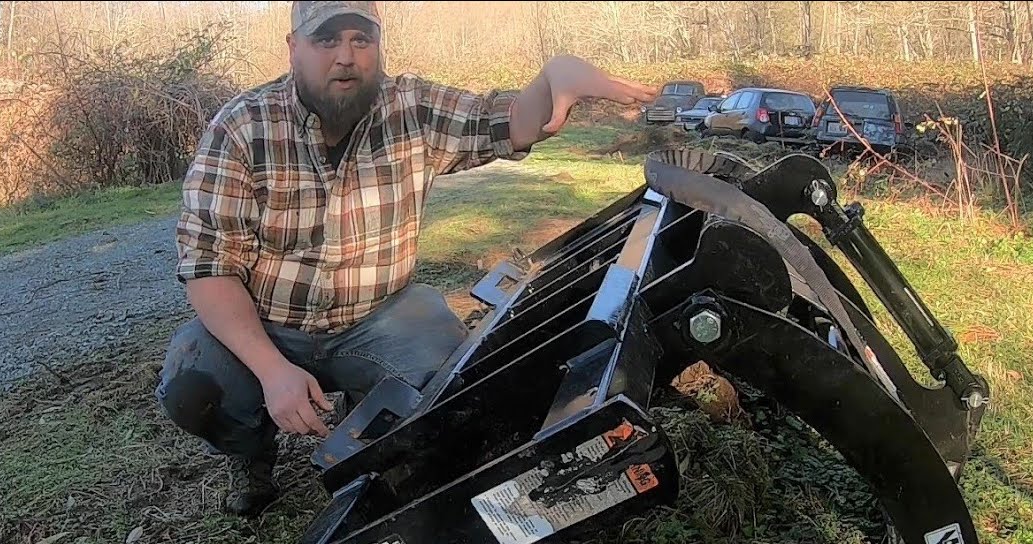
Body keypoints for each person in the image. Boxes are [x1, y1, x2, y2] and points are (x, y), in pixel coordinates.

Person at [155, 0, 657, 516]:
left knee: (459, 389)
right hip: (267, 324)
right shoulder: (241, 127)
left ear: (378, 46)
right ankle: (251, 452)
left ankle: (371, 423)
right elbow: (209, 267)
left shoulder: (411, 106)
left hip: (379, 318)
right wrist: (272, 371)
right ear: (293, 49)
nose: (346, 57)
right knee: (195, 388)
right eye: (327, 41)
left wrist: (553, 77)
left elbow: (507, 122)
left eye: (361, 40)